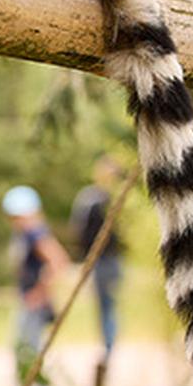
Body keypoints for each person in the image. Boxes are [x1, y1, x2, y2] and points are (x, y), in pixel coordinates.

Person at [3, 184, 71, 368]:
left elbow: (58, 261)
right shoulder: (24, 234)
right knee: (24, 348)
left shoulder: (35, 233)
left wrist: (40, 292)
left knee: (29, 350)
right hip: (26, 298)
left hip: (35, 303)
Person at [66, 154, 125, 360]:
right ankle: (108, 346)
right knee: (107, 305)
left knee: (107, 306)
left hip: (107, 260)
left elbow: (78, 231)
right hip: (105, 259)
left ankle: (108, 348)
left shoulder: (102, 198)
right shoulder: (98, 199)